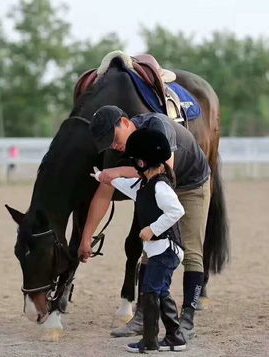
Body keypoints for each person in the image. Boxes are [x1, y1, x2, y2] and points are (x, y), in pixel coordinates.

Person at [78, 105, 211, 339]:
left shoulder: (158, 127)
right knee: (150, 250)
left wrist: (118, 170)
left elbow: (164, 171)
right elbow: (103, 192)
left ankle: (187, 319)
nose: (114, 146)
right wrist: (87, 237)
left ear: (126, 122)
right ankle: (142, 317)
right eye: (108, 143)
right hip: (156, 184)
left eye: (114, 138)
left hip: (190, 184)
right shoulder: (123, 147)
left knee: (191, 251)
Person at [90, 128, 186, 353]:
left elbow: (176, 211)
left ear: (142, 163)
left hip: (166, 250)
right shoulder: (144, 185)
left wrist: (152, 229)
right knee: (160, 291)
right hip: (160, 251)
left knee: (150, 291)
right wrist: (102, 176)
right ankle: (175, 338)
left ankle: (149, 342)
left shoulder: (161, 187)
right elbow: (127, 187)